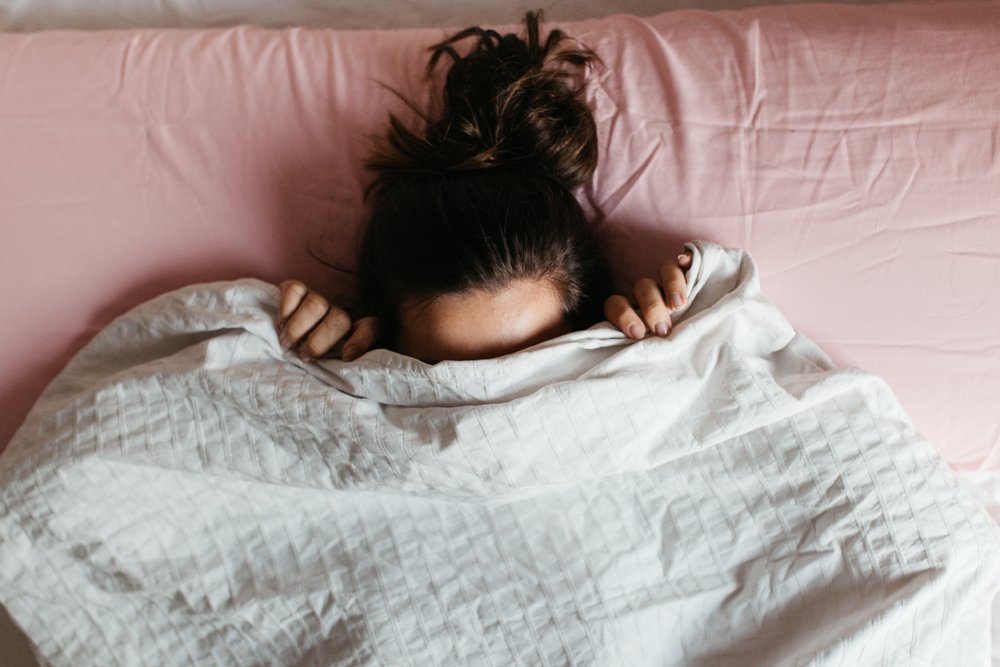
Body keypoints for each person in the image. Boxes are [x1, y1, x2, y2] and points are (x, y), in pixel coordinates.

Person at [277, 11, 691, 364]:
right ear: (387, 346)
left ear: (586, 330)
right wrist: (294, 349)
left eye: (530, 364)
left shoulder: (635, 356)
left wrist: (681, 330)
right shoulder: (354, 367)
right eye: (449, 375)